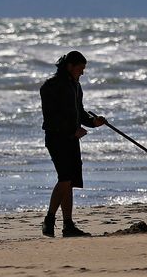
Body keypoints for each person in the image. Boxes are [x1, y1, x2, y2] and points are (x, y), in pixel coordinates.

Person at [40, 50, 105, 238]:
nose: (82, 73)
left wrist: (94, 123)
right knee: (65, 178)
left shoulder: (76, 86)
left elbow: (81, 113)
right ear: (70, 66)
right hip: (57, 139)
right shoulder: (51, 86)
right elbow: (51, 118)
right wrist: (71, 131)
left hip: (72, 139)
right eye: (80, 69)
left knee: (69, 182)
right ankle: (49, 219)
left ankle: (68, 225)